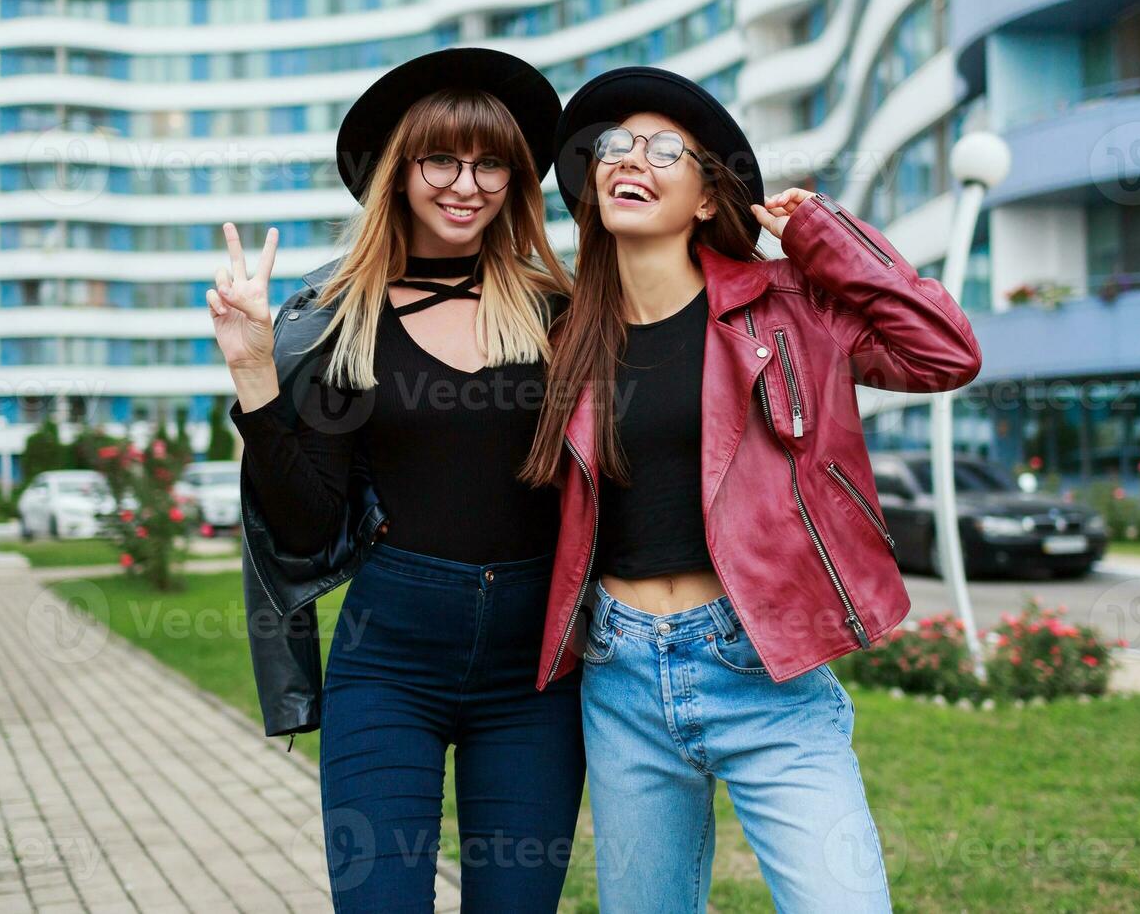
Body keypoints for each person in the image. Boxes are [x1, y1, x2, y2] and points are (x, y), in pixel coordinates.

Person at [519, 66, 983, 912]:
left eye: (666, 149)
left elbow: (942, 352)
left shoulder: (790, 308)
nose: (633, 158)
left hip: (762, 664)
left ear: (706, 196)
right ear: (591, 184)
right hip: (619, 676)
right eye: (615, 146)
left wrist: (823, 237)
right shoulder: (564, 339)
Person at [208, 47, 582, 912]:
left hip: (534, 673)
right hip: (390, 662)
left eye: (491, 162)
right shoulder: (349, 324)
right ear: (400, 174)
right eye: (441, 159)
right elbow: (306, 527)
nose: (467, 183)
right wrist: (256, 374)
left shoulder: (559, 313)